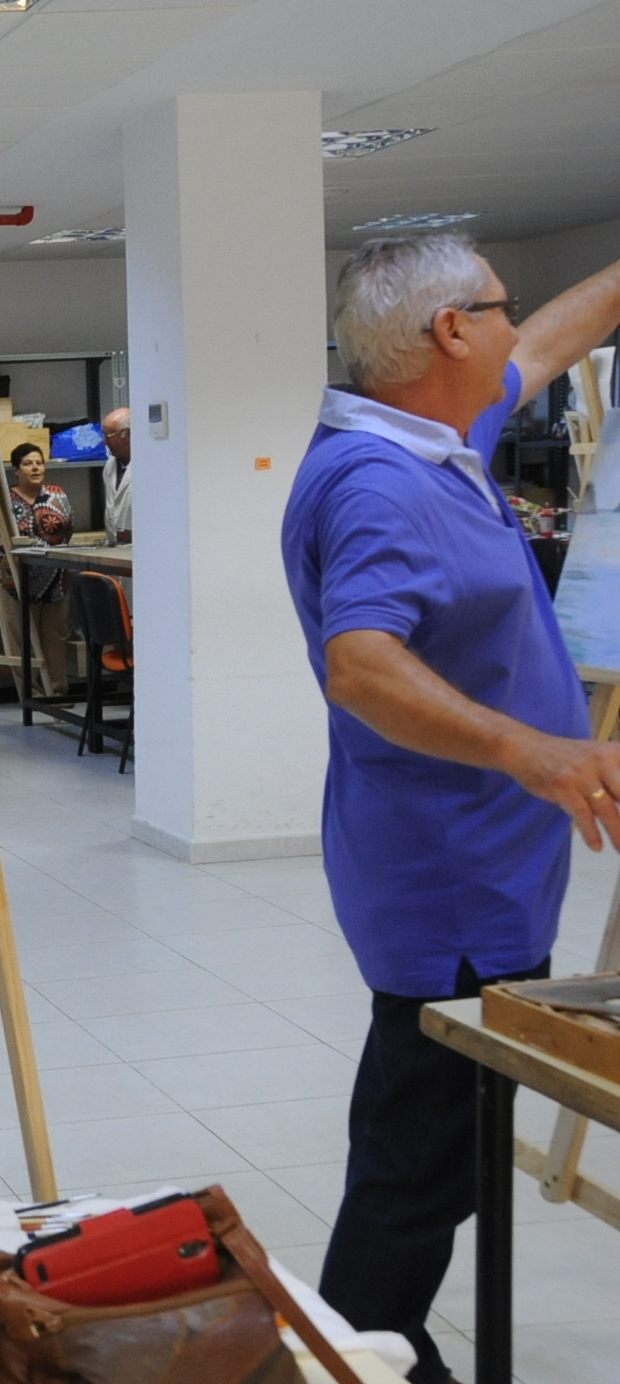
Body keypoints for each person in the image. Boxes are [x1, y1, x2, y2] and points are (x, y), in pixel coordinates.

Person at [283, 233, 620, 1384]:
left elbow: (561, 336)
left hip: (479, 870)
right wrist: (536, 751)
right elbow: (361, 664)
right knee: (414, 1154)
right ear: (448, 332)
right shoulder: (379, 482)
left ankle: (384, 1336)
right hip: (447, 879)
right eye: (498, 307)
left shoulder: (437, 436)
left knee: (445, 1141)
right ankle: (356, 1345)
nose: (514, 327)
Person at [2, 443, 74, 694]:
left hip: (57, 578)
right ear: (16, 470)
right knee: (22, 641)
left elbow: (69, 529)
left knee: (56, 638)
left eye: (39, 462)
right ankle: (30, 696)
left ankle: (57, 692)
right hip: (18, 580)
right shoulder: (6, 500)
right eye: (28, 463)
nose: (35, 468)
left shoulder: (58, 494)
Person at [99, 406, 132, 543]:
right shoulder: (110, 465)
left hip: (143, 547)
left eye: (110, 436)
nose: (105, 442)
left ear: (128, 434)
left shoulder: (148, 467)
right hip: (116, 547)